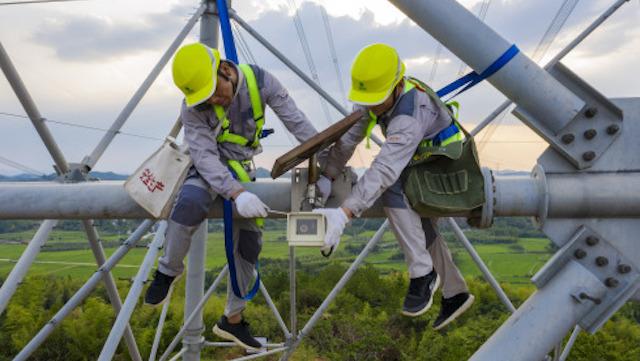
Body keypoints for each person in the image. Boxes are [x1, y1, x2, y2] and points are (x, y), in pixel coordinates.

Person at [144, 42, 324, 351]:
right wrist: (236, 192)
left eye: (216, 91)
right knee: (189, 203)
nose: (213, 100)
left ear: (225, 70)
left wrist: (324, 165)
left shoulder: (262, 82)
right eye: (206, 97)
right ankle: (168, 269)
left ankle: (233, 319)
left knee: (249, 245)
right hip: (208, 169)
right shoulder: (192, 106)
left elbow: (298, 123)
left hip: (242, 169)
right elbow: (203, 156)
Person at [315, 43, 475, 330]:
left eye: (377, 100)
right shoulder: (375, 96)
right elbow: (348, 140)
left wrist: (345, 213)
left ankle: (422, 274)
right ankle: (455, 293)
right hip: (419, 166)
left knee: (392, 191)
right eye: (369, 100)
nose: (372, 107)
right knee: (418, 225)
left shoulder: (410, 115)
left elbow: (386, 169)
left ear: (398, 85)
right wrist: (328, 174)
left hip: (447, 168)